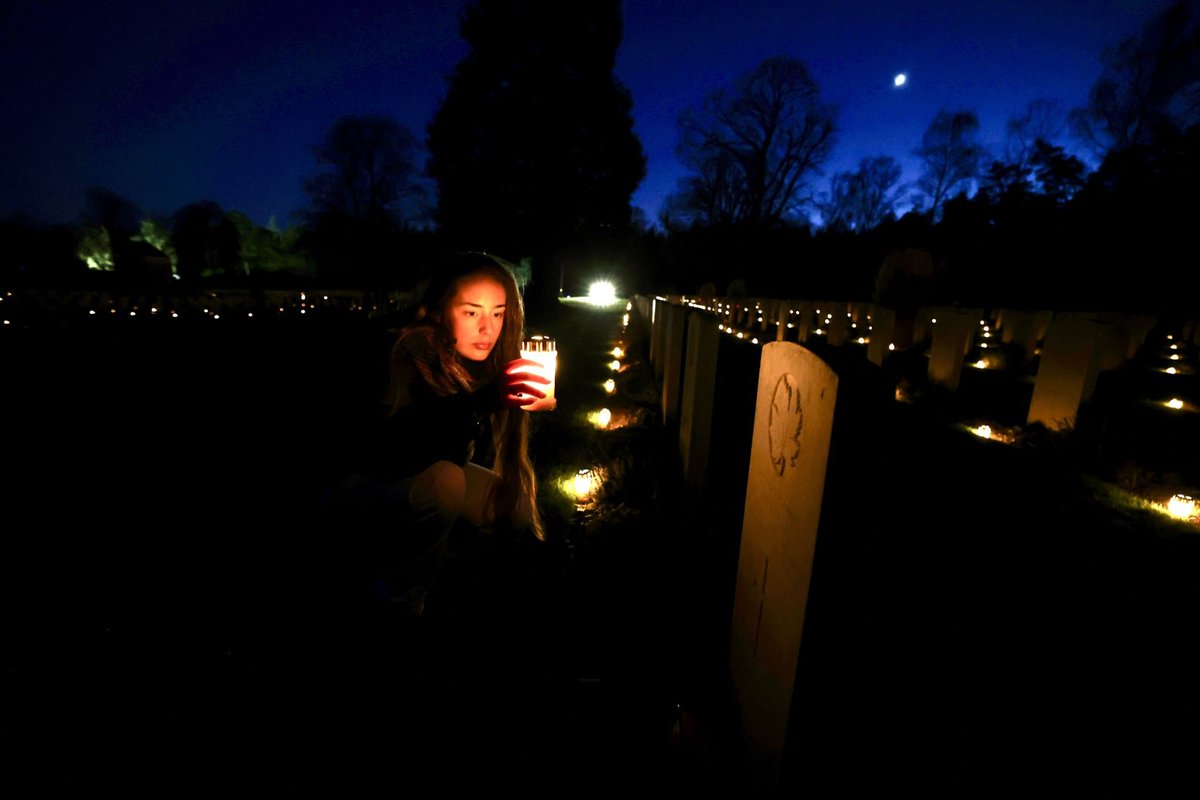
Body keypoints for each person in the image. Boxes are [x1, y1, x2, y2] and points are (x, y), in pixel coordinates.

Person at [332, 251, 550, 616]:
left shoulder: (465, 358)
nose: (488, 328)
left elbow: (452, 446)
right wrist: (479, 403)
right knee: (445, 483)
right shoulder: (410, 350)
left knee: (511, 504)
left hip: (408, 472)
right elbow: (392, 452)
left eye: (498, 313)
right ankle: (398, 598)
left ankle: (451, 572)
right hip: (359, 480)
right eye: (471, 312)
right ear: (437, 309)